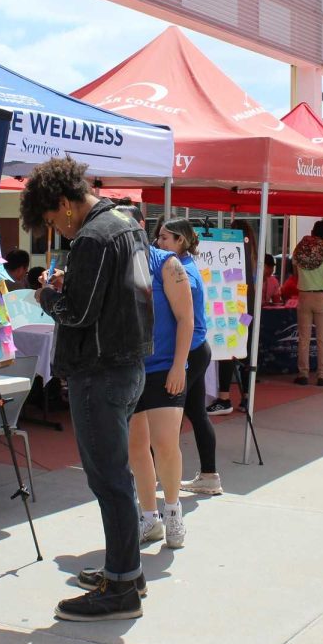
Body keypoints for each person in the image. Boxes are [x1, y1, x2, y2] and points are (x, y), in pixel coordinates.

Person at [22, 157, 153, 622]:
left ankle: (120, 589)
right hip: (126, 363)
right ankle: (125, 571)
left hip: (101, 371)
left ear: (64, 203)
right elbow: (120, 294)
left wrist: (47, 295)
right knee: (117, 477)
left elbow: (77, 314)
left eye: (54, 220)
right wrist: (71, 286)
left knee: (110, 480)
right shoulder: (126, 223)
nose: (57, 229)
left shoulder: (96, 236)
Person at [127, 218, 209, 530]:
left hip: (164, 366)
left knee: (165, 444)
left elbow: (186, 319)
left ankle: (173, 512)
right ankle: (149, 516)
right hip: (130, 369)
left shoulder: (166, 263)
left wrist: (178, 365)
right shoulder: (116, 263)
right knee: (137, 447)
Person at [208, 220, 257, 415]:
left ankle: (224, 396)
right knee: (246, 350)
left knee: (228, 350)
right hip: (247, 309)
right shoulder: (252, 251)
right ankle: (247, 396)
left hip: (233, 307)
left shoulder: (234, 250)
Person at [292, 220, 323, 386]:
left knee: (303, 338)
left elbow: (295, 274)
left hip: (303, 296)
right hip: (322, 297)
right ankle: (322, 375)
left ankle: (302, 374)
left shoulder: (299, 251)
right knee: (322, 339)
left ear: (312, 232)